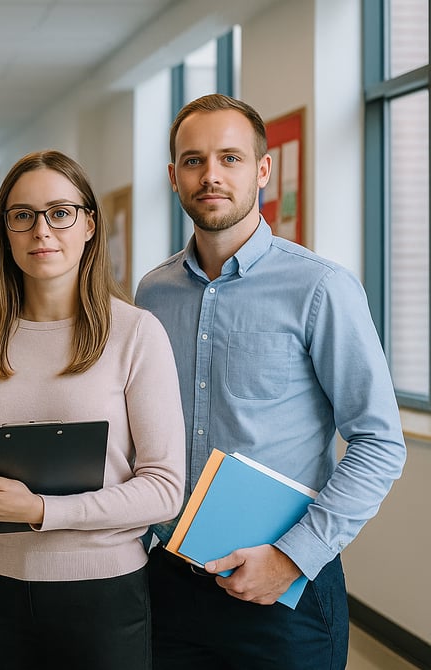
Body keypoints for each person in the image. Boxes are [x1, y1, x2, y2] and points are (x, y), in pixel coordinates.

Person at [137, 94, 407, 669]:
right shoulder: (152, 294)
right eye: (193, 160)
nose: (211, 175)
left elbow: (380, 442)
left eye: (230, 158)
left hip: (284, 589)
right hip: (169, 583)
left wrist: (292, 558)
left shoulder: (321, 288)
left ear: (263, 170)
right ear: (173, 176)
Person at [0, 150, 185, 669]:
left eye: (60, 212)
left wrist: (41, 512)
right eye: (22, 216)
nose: (41, 230)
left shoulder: (136, 333)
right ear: (6, 231)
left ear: (90, 224)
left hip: (103, 592)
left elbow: (164, 488)